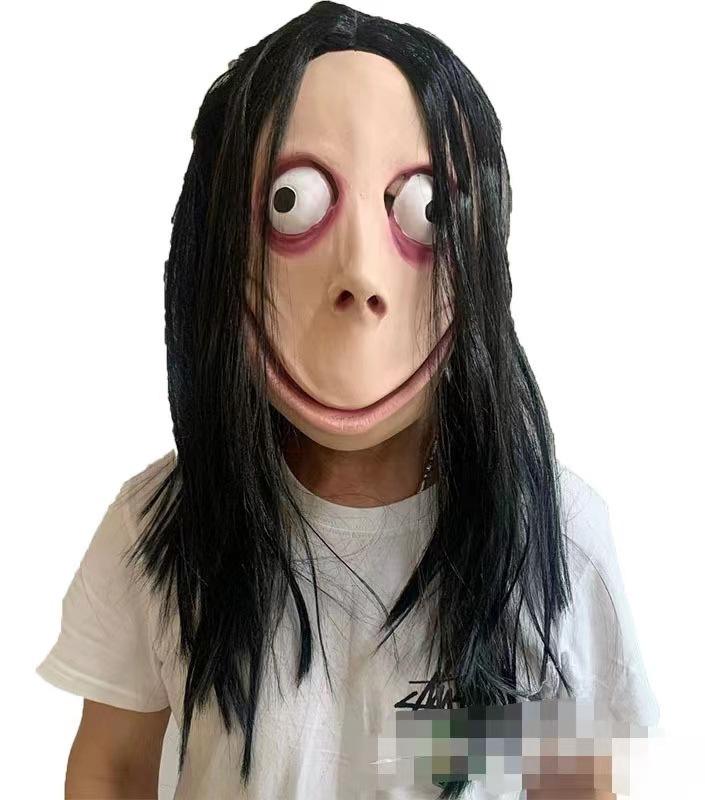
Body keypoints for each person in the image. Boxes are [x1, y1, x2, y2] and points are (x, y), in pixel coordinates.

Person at [36, 3, 659, 798]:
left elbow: (569, 786)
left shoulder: (552, 539)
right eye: (290, 202)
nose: (361, 275)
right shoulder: (165, 527)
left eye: (426, 210)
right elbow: (114, 768)